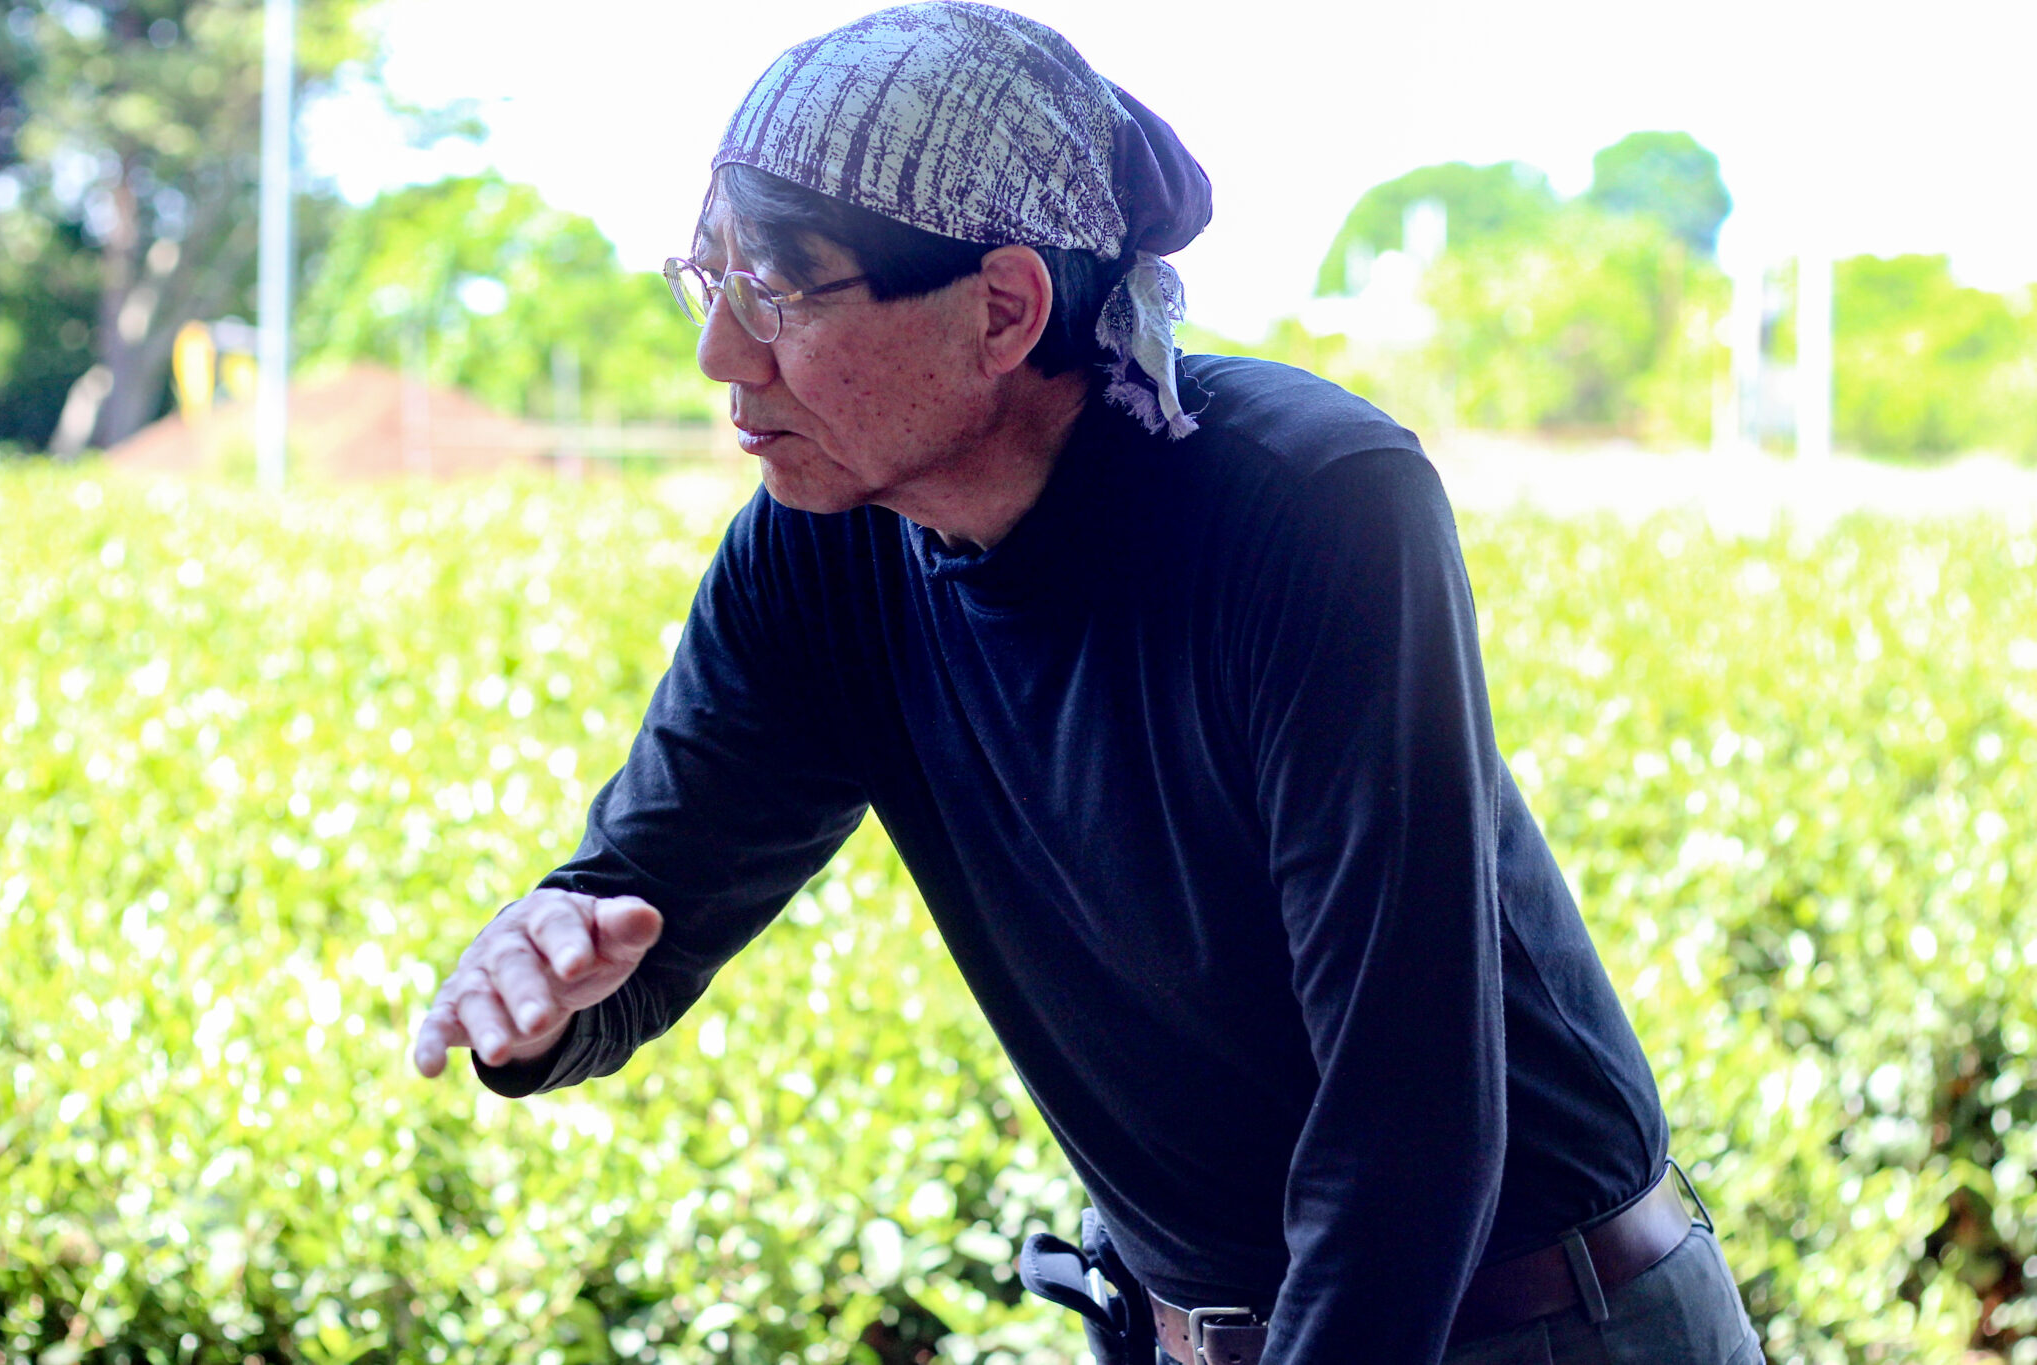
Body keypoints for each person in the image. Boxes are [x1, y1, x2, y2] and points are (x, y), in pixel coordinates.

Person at [412, 5, 1767, 1362]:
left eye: (779, 288)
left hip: (1536, 1323)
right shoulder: (818, 545)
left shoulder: (1307, 506)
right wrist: (543, 973)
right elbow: (639, 907)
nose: (722, 353)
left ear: (1004, 306)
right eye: (704, 277)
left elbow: (1405, 1118)